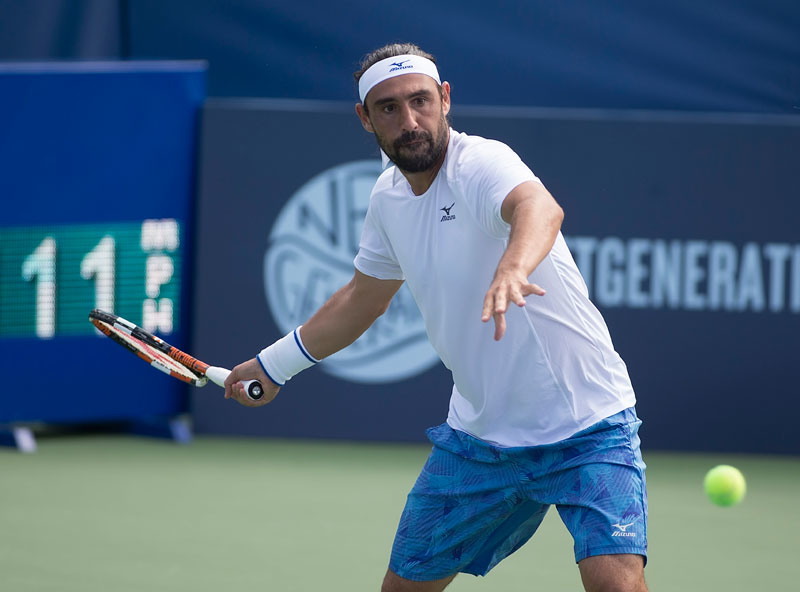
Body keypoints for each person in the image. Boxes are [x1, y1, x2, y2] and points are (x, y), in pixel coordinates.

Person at [224, 42, 648, 592]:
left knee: (616, 586)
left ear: (445, 98)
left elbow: (539, 207)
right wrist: (273, 365)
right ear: (365, 119)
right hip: (479, 441)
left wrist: (512, 267)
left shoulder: (480, 162)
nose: (409, 121)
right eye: (389, 108)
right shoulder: (387, 200)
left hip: (587, 424)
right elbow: (362, 299)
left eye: (420, 100)